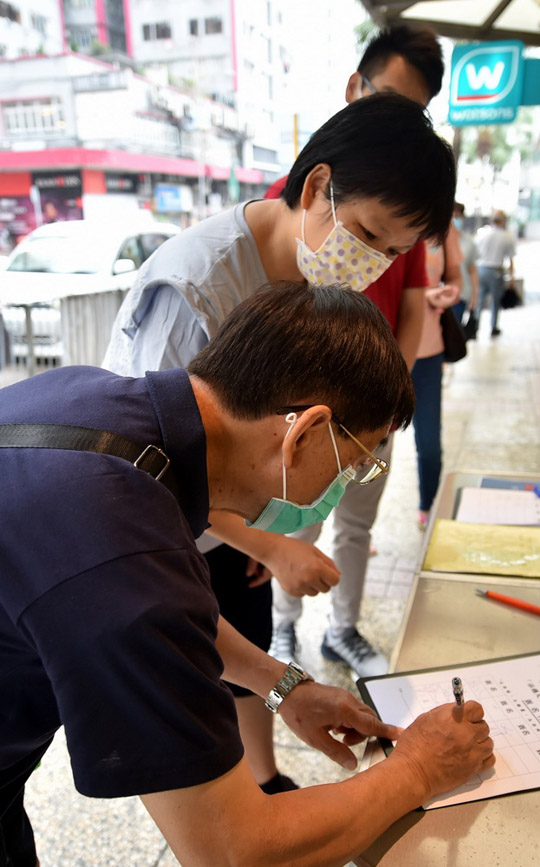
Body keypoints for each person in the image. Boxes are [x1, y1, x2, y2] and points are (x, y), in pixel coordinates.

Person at [1, 284, 495, 867]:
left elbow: (159, 611)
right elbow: (234, 850)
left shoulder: (88, 400)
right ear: (303, 432)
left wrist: (284, 687)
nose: (343, 485)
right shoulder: (121, 552)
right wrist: (419, 768)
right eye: (355, 465)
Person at [103, 92, 457, 794]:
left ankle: (261, 776)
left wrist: (261, 531)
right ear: (319, 185)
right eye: (369, 234)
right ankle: (240, 786)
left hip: (223, 521)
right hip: (160, 528)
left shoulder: (308, 276)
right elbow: (141, 476)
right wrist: (267, 541)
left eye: (393, 253)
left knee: (246, 636)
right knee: (190, 680)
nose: (374, 263)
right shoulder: (196, 287)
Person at [270, 22, 446, 679]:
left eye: (416, 112)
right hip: (305, 411)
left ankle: (342, 629)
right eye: (390, 101)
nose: (402, 124)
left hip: (374, 407)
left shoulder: (408, 210)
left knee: (356, 525)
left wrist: (388, 399)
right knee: (296, 524)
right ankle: (281, 629)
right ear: (355, 87)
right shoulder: (302, 193)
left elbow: (412, 306)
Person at [413, 225, 463, 530]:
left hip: (429, 353)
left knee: (430, 443)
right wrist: (423, 296)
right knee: (372, 444)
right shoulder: (383, 212)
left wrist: (448, 293)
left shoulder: (443, 227)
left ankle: (428, 506)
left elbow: (455, 277)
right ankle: (359, 527)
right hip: (383, 348)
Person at [475, 210, 516, 337]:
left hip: (480, 269)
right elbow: (511, 259)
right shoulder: (506, 236)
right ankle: (493, 327)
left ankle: (475, 327)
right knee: (495, 301)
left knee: (479, 300)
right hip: (495, 272)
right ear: (503, 221)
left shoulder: (482, 233)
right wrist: (512, 277)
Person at [451, 201, 479, 329]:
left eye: (458, 216)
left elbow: (472, 270)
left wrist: (475, 296)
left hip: (461, 296)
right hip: (439, 294)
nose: (455, 220)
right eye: (452, 216)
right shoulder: (436, 241)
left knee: (455, 331)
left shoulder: (468, 242)